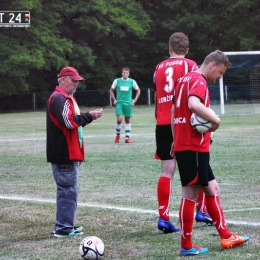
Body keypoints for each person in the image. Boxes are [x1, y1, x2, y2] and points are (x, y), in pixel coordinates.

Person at [171, 50, 250, 256]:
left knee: (212, 188)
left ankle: (225, 235)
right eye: (221, 73)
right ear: (212, 64)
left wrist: (174, 138)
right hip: (193, 144)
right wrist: (216, 120)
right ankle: (186, 245)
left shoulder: (183, 79)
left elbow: (174, 112)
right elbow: (193, 104)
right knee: (190, 194)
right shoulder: (198, 80)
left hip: (186, 143)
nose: (219, 78)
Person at [153, 32, 212, 234]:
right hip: (183, 123)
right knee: (200, 165)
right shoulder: (190, 65)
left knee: (166, 171)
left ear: (169, 47)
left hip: (162, 123)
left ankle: (163, 217)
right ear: (186, 50)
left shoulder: (158, 68)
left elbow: (157, 94)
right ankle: (201, 210)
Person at [46, 66, 103, 238]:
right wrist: (89, 116)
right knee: (67, 190)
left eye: (78, 81)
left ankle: (66, 224)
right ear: (62, 79)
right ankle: (63, 228)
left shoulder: (67, 98)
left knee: (69, 189)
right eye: (73, 80)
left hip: (69, 152)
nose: (76, 83)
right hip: (64, 153)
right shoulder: (59, 99)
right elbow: (70, 123)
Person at [110, 67, 141, 143]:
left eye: (126, 73)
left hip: (128, 103)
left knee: (127, 120)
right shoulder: (117, 81)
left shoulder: (132, 81)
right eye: (124, 72)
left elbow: (138, 90)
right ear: (122, 73)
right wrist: (114, 99)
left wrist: (134, 100)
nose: (125, 74)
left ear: (128, 74)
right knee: (119, 120)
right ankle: (118, 135)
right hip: (119, 103)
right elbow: (111, 90)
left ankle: (127, 138)